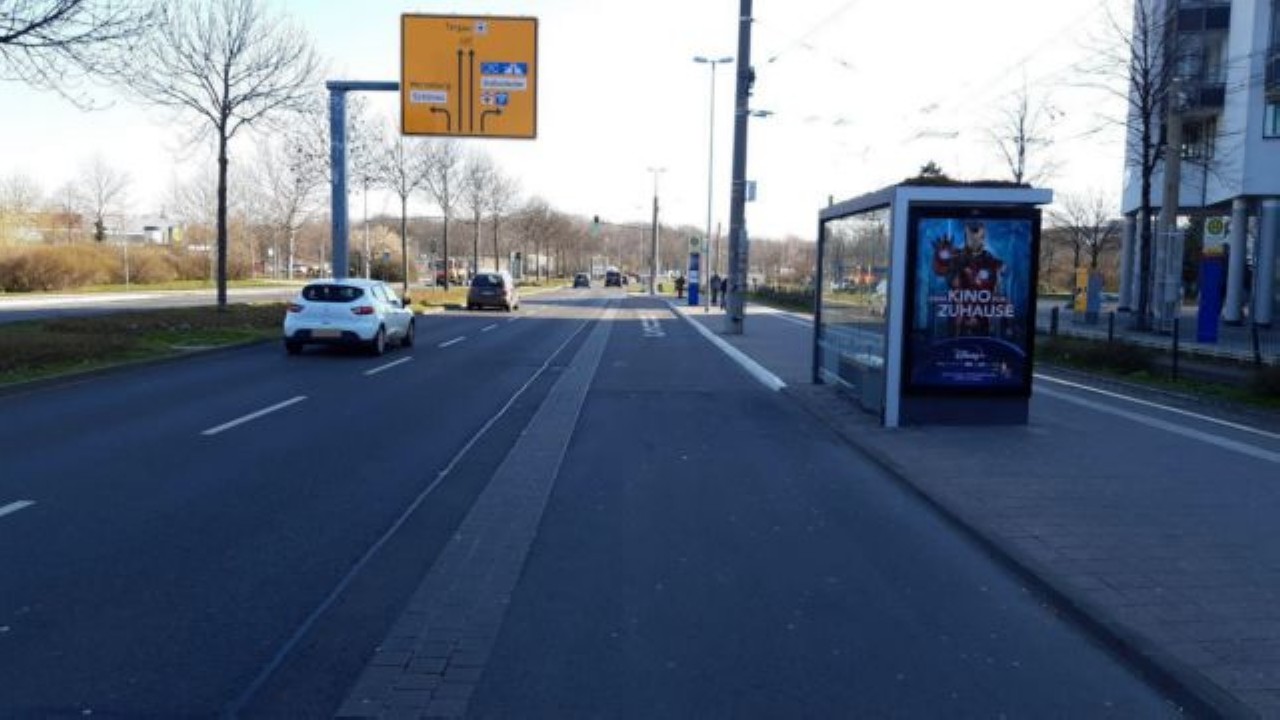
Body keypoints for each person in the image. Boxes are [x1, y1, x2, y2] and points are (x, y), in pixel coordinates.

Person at [931, 220, 1005, 335]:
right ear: (966, 237)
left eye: (978, 236)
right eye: (971, 237)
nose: (974, 240)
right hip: (959, 317)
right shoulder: (957, 257)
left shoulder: (990, 261)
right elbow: (940, 270)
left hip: (982, 316)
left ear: (983, 237)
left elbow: (999, 274)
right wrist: (941, 256)